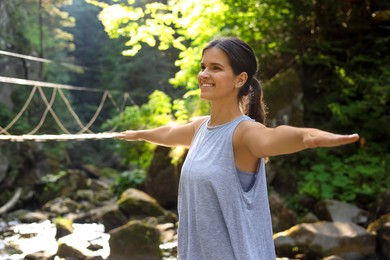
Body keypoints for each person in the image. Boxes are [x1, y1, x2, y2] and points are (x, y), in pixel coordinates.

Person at [115, 37, 359, 260]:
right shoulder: (200, 128)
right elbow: (169, 133)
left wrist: (310, 137)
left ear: (240, 79)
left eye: (216, 68)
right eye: (203, 67)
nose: (204, 74)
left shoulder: (244, 133)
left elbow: (275, 136)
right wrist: (138, 135)